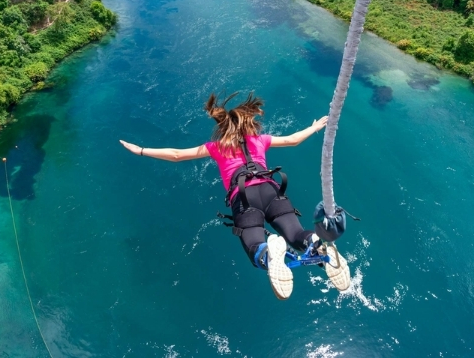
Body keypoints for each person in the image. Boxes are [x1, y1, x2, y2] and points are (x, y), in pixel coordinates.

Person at [119, 92, 350, 299]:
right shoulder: (260, 140)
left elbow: (177, 155)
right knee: (297, 233)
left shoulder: (217, 147)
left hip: (244, 197)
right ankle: (317, 246)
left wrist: (141, 150)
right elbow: (293, 140)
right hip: (272, 191)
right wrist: (315, 127)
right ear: (247, 123)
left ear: (223, 127)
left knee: (254, 247)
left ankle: (270, 254)